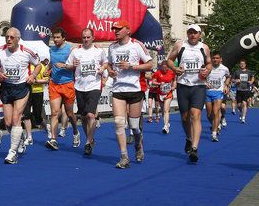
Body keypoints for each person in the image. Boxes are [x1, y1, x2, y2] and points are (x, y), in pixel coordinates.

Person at [107, 20, 153, 168]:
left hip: (134, 89)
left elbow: (150, 64)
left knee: (134, 126)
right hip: (118, 90)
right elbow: (108, 63)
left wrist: (132, 66)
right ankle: (124, 156)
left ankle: (138, 144)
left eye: (119, 29)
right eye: (115, 29)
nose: (116, 31)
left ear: (128, 30)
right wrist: (110, 70)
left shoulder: (136, 45)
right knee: (119, 123)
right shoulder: (112, 47)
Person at [0, 27, 41, 164]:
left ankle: (12, 153)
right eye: (7, 37)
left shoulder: (26, 51)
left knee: (16, 118)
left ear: (18, 39)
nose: (8, 39)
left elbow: (38, 64)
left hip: (21, 87)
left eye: (12, 37)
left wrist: (33, 75)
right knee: (8, 123)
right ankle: (19, 139)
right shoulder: (0, 51)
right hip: (6, 87)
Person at [167, 24, 211, 163]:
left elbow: (209, 63)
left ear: (200, 34)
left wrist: (207, 71)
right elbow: (169, 60)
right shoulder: (180, 45)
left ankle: (194, 147)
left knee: (196, 114)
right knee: (185, 118)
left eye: (195, 33)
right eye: (190, 32)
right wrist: (174, 69)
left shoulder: (204, 48)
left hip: (199, 85)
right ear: (187, 33)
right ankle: (189, 138)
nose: (193, 35)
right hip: (183, 85)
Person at [65, 28, 108, 156]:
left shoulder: (99, 51)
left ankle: (88, 142)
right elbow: (67, 66)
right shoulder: (75, 51)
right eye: (84, 37)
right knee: (83, 117)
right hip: (80, 86)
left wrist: (102, 68)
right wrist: (73, 65)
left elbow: (105, 63)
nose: (86, 39)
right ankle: (90, 138)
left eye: (88, 37)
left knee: (90, 115)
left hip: (94, 85)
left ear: (93, 38)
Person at [45, 27, 80, 151]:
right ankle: (54, 139)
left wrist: (64, 65)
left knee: (70, 113)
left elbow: (74, 66)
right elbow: (52, 62)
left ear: (63, 38)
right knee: (54, 112)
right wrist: (47, 69)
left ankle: (76, 132)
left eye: (58, 37)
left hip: (67, 84)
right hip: (54, 84)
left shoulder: (70, 49)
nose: (55, 39)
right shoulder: (51, 49)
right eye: (54, 37)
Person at [22, 58, 49, 146]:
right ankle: (29, 137)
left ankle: (47, 128)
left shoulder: (41, 66)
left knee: (37, 116)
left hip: (38, 92)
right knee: (26, 115)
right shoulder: (25, 66)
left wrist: (36, 81)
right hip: (26, 92)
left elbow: (47, 80)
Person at [204, 51, 230, 142]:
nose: (215, 59)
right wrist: (204, 83)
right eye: (214, 58)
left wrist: (226, 86)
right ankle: (215, 124)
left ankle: (214, 133)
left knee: (216, 112)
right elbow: (201, 77)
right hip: (208, 92)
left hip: (218, 92)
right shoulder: (207, 68)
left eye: (217, 58)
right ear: (211, 59)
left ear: (220, 59)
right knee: (209, 114)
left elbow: (228, 76)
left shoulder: (224, 69)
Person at [152, 60, 176, 134]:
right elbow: (153, 82)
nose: (164, 69)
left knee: (166, 110)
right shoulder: (157, 73)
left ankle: (165, 126)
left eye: (166, 68)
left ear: (168, 67)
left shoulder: (171, 73)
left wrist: (174, 86)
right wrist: (159, 83)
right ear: (161, 67)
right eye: (163, 68)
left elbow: (174, 80)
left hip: (168, 93)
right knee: (162, 110)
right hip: (160, 93)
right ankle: (167, 122)